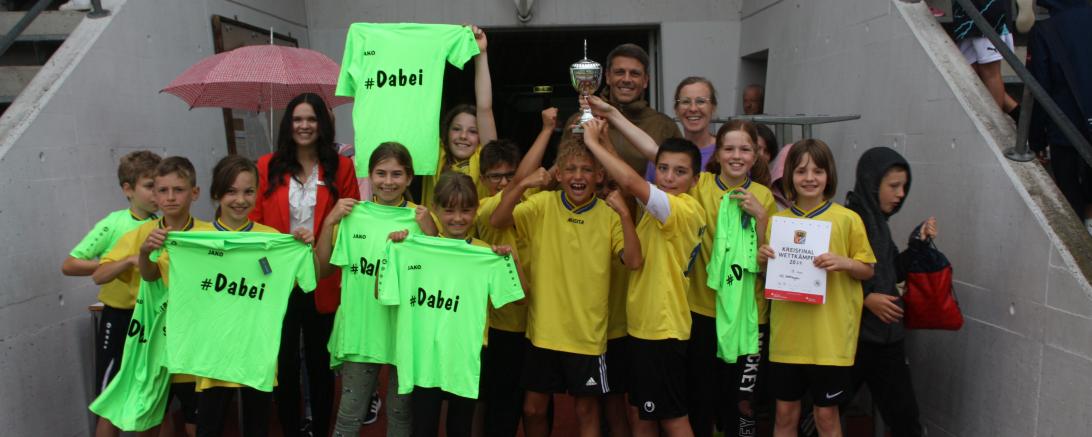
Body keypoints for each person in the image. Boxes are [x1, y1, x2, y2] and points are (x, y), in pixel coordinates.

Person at [491, 139, 639, 437]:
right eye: (570, 169)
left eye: (586, 169)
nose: (578, 176)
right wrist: (521, 186)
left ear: (599, 175)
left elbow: (634, 262)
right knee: (533, 409)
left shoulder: (610, 215)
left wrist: (625, 215)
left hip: (587, 334)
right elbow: (498, 219)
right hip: (543, 330)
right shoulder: (542, 204)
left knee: (586, 410)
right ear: (558, 175)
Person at [583, 116, 704, 437]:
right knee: (645, 416)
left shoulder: (681, 209)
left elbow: (633, 184)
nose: (668, 177)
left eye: (680, 172)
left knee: (674, 419)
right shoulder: (662, 206)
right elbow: (630, 181)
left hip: (661, 331)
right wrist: (607, 139)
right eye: (662, 168)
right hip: (647, 329)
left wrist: (593, 143)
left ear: (695, 179)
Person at [251, 92, 361, 437]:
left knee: (320, 364)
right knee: (283, 363)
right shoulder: (266, 165)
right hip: (277, 278)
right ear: (288, 123)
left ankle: (321, 430)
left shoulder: (341, 167)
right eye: (298, 119)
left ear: (323, 124)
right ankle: (290, 429)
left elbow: (351, 221)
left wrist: (324, 237)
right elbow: (254, 221)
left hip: (322, 276)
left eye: (311, 119)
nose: (304, 126)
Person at [757, 139, 875, 437]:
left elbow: (867, 269)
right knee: (784, 414)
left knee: (825, 416)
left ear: (829, 176)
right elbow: (766, 277)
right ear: (789, 178)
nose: (809, 178)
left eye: (818, 171)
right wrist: (762, 260)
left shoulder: (848, 220)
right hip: (788, 336)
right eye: (801, 171)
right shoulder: (777, 223)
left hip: (829, 339)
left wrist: (844, 262)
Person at [316, 142, 434, 437]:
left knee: (400, 414)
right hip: (362, 331)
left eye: (397, 174)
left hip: (404, 333)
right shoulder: (352, 214)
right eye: (381, 173)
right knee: (349, 415)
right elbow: (323, 269)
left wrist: (429, 229)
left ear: (409, 178)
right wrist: (330, 220)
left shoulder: (419, 219)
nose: (388, 181)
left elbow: (436, 272)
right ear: (369, 176)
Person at [96, 156, 217, 437]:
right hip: (150, 343)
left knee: (195, 419)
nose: (170, 197)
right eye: (162, 190)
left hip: (194, 341)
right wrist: (136, 257)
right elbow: (107, 275)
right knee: (148, 417)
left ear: (194, 193)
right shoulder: (141, 234)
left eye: (179, 189)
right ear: (154, 194)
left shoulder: (210, 233)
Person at [688, 121, 778, 437]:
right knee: (702, 398)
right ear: (717, 153)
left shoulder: (765, 197)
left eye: (744, 149)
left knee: (743, 403)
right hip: (704, 311)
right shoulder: (698, 186)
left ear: (755, 155)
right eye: (729, 148)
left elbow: (770, 264)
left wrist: (762, 218)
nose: (736, 156)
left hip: (749, 316)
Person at [195, 155, 296, 437]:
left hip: (256, 349)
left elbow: (286, 283)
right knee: (209, 427)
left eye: (248, 191)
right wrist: (145, 253)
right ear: (216, 194)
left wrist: (299, 248)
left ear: (257, 193)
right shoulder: (196, 238)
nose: (240, 199)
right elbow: (158, 276)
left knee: (257, 426)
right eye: (231, 191)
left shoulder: (271, 238)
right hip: (213, 351)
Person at [65, 151, 160, 437]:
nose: (157, 193)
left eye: (161, 186)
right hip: (118, 317)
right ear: (128, 189)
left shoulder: (163, 224)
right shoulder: (114, 223)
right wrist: (120, 262)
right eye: (149, 186)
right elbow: (70, 264)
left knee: (151, 398)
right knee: (110, 399)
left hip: (152, 319)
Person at [845, 146, 933, 437]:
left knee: (906, 421)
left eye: (904, 187)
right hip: (852, 341)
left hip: (886, 341)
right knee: (823, 414)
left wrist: (917, 244)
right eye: (893, 186)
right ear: (872, 183)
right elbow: (827, 276)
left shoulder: (879, 223)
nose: (900, 194)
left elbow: (893, 271)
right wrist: (866, 298)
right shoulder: (848, 220)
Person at [562, 43, 681, 178]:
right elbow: (562, 171)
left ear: (646, 80)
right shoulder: (578, 121)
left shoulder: (664, 126)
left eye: (635, 74)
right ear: (607, 77)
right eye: (619, 72)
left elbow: (678, 176)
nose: (626, 79)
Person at [1028, 0, 1092, 233]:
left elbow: (1038, 90)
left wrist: (1035, 139)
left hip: (1066, 132)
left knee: (1070, 202)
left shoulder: (1045, 31)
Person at [420, 25, 496, 207]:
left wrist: (480, 54)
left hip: (476, 236)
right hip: (433, 236)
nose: (463, 136)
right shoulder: (434, 155)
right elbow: (424, 102)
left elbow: (485, 108)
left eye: (472, 131)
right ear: (446, 133)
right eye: (456, 129)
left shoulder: (484, 158)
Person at [951, 0, 1020, 118]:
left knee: (989, 72)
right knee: (970, 72)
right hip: (965, 12)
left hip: (986, 10)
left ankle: (996, 126)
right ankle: (1015, 112)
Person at [643, 77, 719, 181]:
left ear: (713, 108)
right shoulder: (663, 155)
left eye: (700, 101)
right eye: (685, 102)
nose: (693, 108)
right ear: (676, 110)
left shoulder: (728, 152)